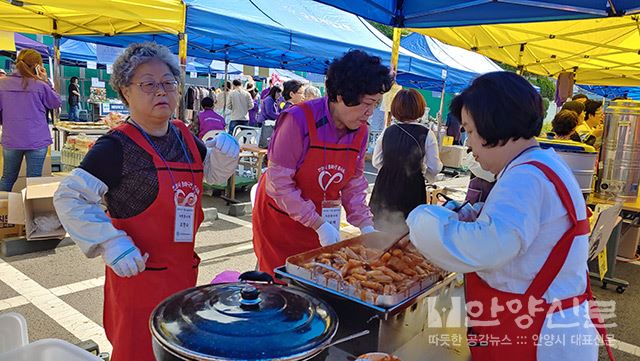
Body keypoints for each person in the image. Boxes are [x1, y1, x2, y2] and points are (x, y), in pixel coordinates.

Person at [53, 42, 240, 361]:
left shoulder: (182, 134)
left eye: (168, 82)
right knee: (137, 351)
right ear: (125, 91)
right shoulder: (116, 146)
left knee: (176, 349)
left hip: (182, 273)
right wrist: (110, 243)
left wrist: (224, 158)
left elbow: (210, 172)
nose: (161, 91)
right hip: (137, 277)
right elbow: (69, 196)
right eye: (148, 83)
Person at [406, 72, 612, 361]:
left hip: (539, 335)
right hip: (548, 322)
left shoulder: (526, 177)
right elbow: (530, 231)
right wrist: (472, 213)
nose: (468, 144)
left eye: (470, 130)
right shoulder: (542, 163)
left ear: (494, 125)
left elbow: (486, 248)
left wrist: (420, 219)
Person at [252, 50, 393, 275]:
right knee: (279, 285)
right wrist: (317, 223)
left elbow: (353, 183)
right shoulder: (298, 121)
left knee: (317, 279)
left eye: (375, 104)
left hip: (321, 220)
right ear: (340, 95)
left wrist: (365, 225)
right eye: (367, 104)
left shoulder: (361, 130)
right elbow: (278, 183)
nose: (370, 113)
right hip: (281, 220)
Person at [370, 89, 442, 233]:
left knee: (380, 228)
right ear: (420, 108)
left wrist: (391, 169)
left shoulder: (387, 131)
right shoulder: (427, 133)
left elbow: (376, 161)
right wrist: (423, 173)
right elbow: (435, 167)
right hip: (412, 187)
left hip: (385, 186)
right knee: (408, 231)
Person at [0, 49, 61, 191]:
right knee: (34, 181)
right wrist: (47, 81)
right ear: (37, 66)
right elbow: (55, 103)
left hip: (12, 138)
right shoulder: (40, 85)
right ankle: (31, 212)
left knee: (7, 178)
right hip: (37, 139)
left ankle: (3, 210)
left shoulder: (2, 84)